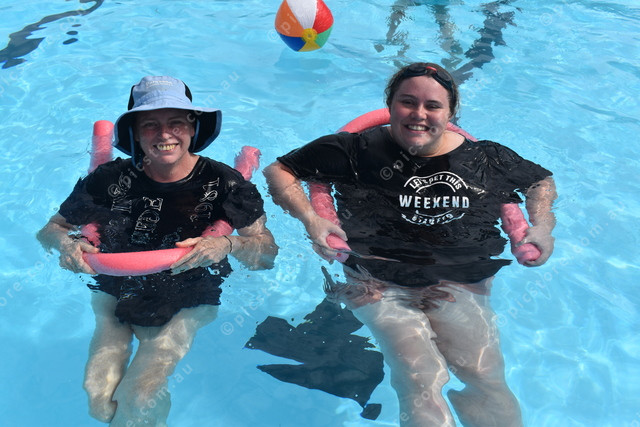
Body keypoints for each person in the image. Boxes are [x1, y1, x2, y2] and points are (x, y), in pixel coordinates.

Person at [263, 62, 556, 427]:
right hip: (377, 281)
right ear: (390, 105)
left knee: (485, 376)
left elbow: (540, 181)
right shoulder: (354, 150)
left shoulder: (486, 158)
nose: (419, 114)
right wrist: (311, 219)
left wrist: (542, 226)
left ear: (451, 112)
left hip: (461, 280)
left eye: (433, 106)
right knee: (422, 376)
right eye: (407, 102)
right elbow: (278, 171)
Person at [37, 76, 278, 426]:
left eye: (176, 122)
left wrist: (228, 244)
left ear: (193, 128)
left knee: (140, 398)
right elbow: (49, 231)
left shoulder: (227, 184)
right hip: (114, 287)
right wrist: (66, 244)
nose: (165, 134)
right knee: (98, 402)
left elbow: (266, 255)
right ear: (135, 134)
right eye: (150, 124)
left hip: (189, 294)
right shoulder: (109, 179)